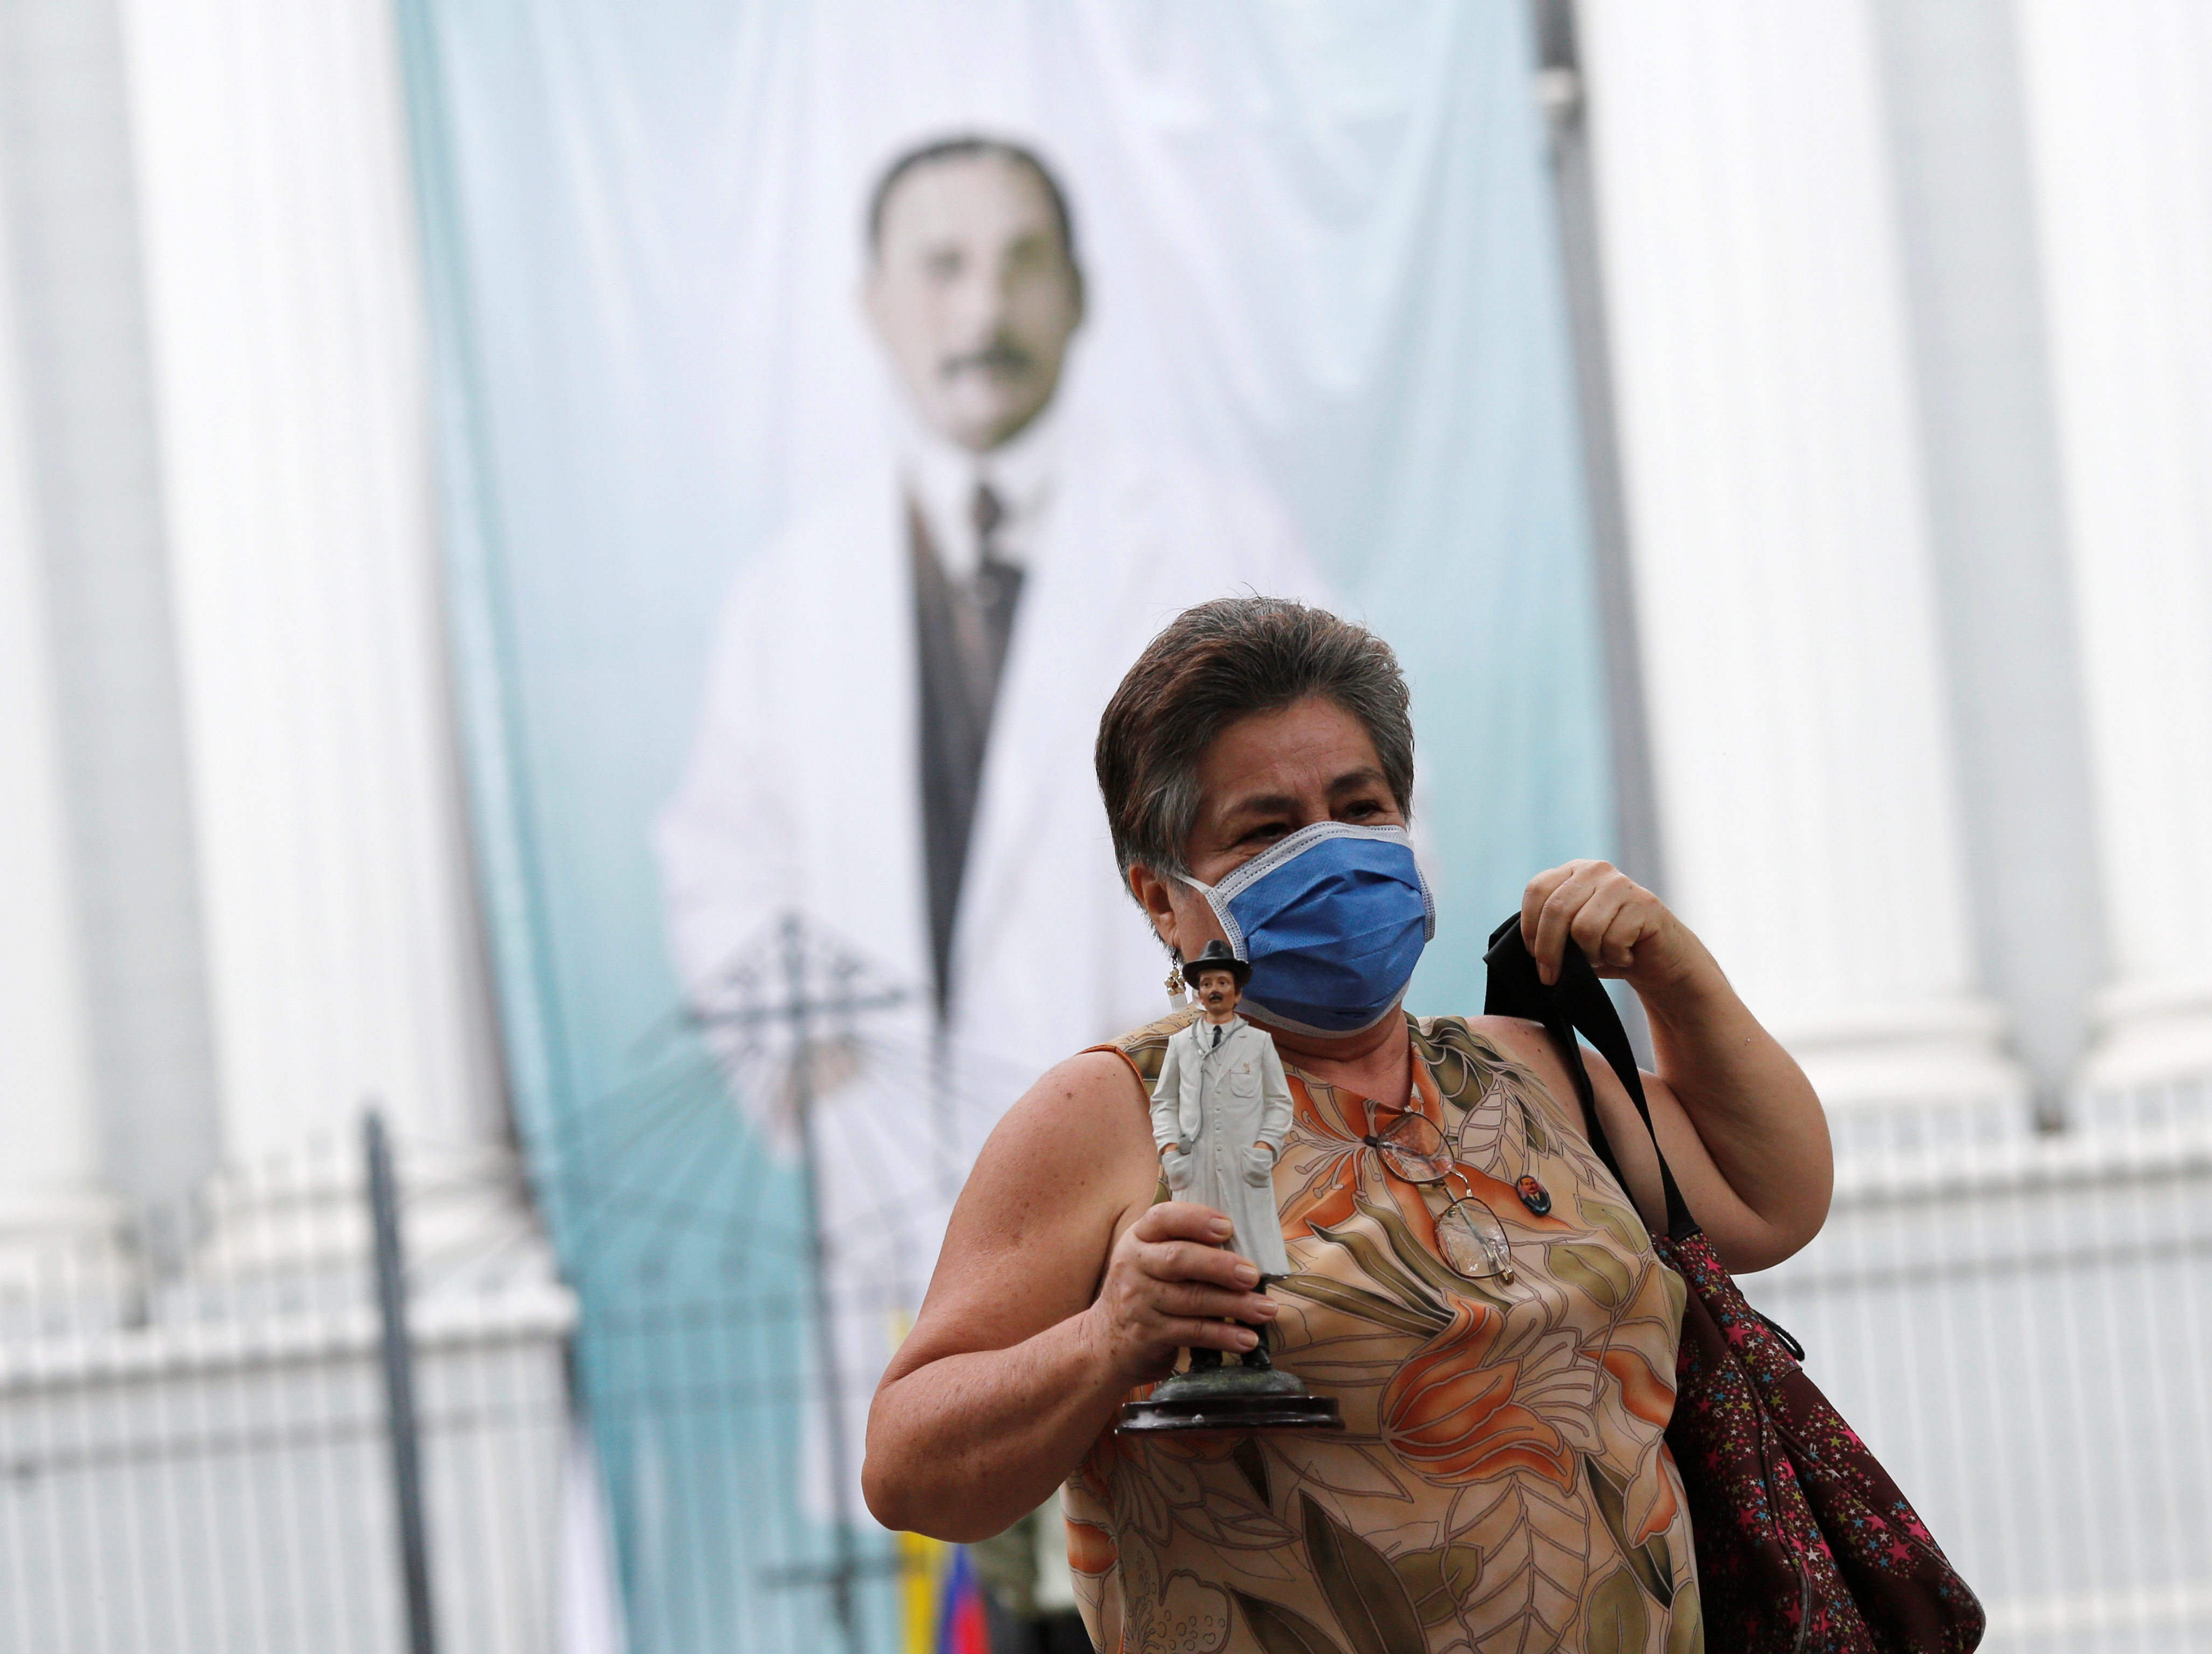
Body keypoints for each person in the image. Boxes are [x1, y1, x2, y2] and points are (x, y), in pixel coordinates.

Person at [863, 597, 1834, 1654]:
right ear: (1161, 896)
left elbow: (1768, 1200)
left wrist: (1671, 968)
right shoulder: (1109, 1113)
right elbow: (909, 1463)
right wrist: (1107, 1340)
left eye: (1360, 805)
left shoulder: (1532, 1066)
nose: (1331, 848)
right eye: (1269, 826)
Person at [655, 135, 1324, 1080]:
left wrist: (1231, 1046)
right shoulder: (789, 594)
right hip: (896, 1168)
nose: (984, 308)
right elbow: (720, 861)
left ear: (1079, 293)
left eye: (1022, 262)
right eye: (943, 268)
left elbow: (1352, 828)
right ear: (874, 306)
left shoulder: (1223, 543)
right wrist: (804, 1059)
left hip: (1171, 1139)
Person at [1148, 940, 1294, 1367]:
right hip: (1195, 1166)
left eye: (1223, 982)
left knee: (1249, 1261)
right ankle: (1205, 1356)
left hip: (1242, 1163)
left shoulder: (1258, 1043)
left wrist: (1264, 1147)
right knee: (1200, 1262)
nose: (1214, 990)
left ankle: (1256, 1351)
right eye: (1207, 982)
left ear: (1237, 992)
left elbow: (1279, 1102)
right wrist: (1171, 1150)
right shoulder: (1179, 1045)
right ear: (1197, 990)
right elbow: (1164, 1101)